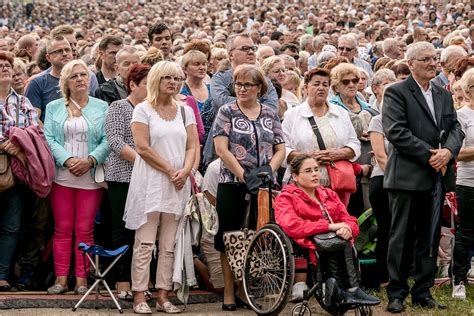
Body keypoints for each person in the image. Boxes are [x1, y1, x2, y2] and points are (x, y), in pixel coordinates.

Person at [382, 42, 464, 313]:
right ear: (411, 62)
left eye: (435, 58)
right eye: (426, 59)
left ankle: (422, 291)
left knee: (429, 237)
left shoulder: (442, 94)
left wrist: (449, 152)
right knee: (402, 237)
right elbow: (396, 132)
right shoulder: (396, 92)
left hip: (435, 178)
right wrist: (432, 155)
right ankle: (396, 292)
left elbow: (455, 128)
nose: (433, 63)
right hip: (407, 177)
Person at [124, 61, 197, 314]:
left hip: (178, 181)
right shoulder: (143, 110)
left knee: (169, 243)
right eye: (167, 77)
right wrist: (169, 170)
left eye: (177, 78)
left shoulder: (185, 111)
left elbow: (192, 146)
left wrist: (185, 171)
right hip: (152, 180)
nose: (173, 82)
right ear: (156, 79)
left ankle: (164, 295)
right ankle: (139, 295)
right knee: (145, 242)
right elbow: (142, 147)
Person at [213, 64, 285, 311]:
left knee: (257, 236)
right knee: (229, 237)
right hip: (233, 182)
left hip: (263, 184)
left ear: (259, 88)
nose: (242, 89)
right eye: (238, 84)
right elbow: (221, 148)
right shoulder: (227, 111)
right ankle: (230, 292)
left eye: (247, 85)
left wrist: (269, 170)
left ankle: (246, 289)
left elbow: (280, 147)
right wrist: (243, 175)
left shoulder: (269, 113)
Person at [274, 154, 380, 306]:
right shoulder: (286, 198)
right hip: (306, 239)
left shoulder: (329, 194)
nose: (315, 174)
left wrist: (348, 228)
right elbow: (292, 225)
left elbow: (349, 219)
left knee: (342, 238)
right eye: (308, 171)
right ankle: (346, 290)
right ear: (295, 176)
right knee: (336, 241)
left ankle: (347, 290)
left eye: (316, 169)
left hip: (334, 237)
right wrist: (330, 226)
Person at [43, 59, 109, 295]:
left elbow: (107, 140)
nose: (81, 79)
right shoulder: (53, 107)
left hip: (90, 176)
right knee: (62, 228)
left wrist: (90, 160)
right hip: (62, 175)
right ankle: (61, 279)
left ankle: (81, 279)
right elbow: (48, 138)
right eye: (75, 76)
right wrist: (67, 160)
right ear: (66, 82)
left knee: (85, 228)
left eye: (84, 75)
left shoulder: (102, 107)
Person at [105, 63, 150, 301]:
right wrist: (145, 162)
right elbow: (115, 141)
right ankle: (122, 282)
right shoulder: (118, 107)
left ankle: (142, 281)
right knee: (122, 230)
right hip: (122, 178)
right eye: (146, 84)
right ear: (133, 85)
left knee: (145, 230)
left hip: (149, 179)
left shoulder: (153, 109)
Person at [0, 51, 39, 291]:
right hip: (7, 158)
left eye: (8, 65)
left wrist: (18, 145)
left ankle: (2, 275)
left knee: (12, 226)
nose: (5, 68)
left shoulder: (23, 102)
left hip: (14, 171)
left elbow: (34, 131)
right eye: (0, 65)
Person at [452, 68, 474, 300]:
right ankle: (458, 280)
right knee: (466, 232)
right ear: (468, 90)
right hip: (468, 181)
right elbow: (456, 152)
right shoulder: (462, 116)